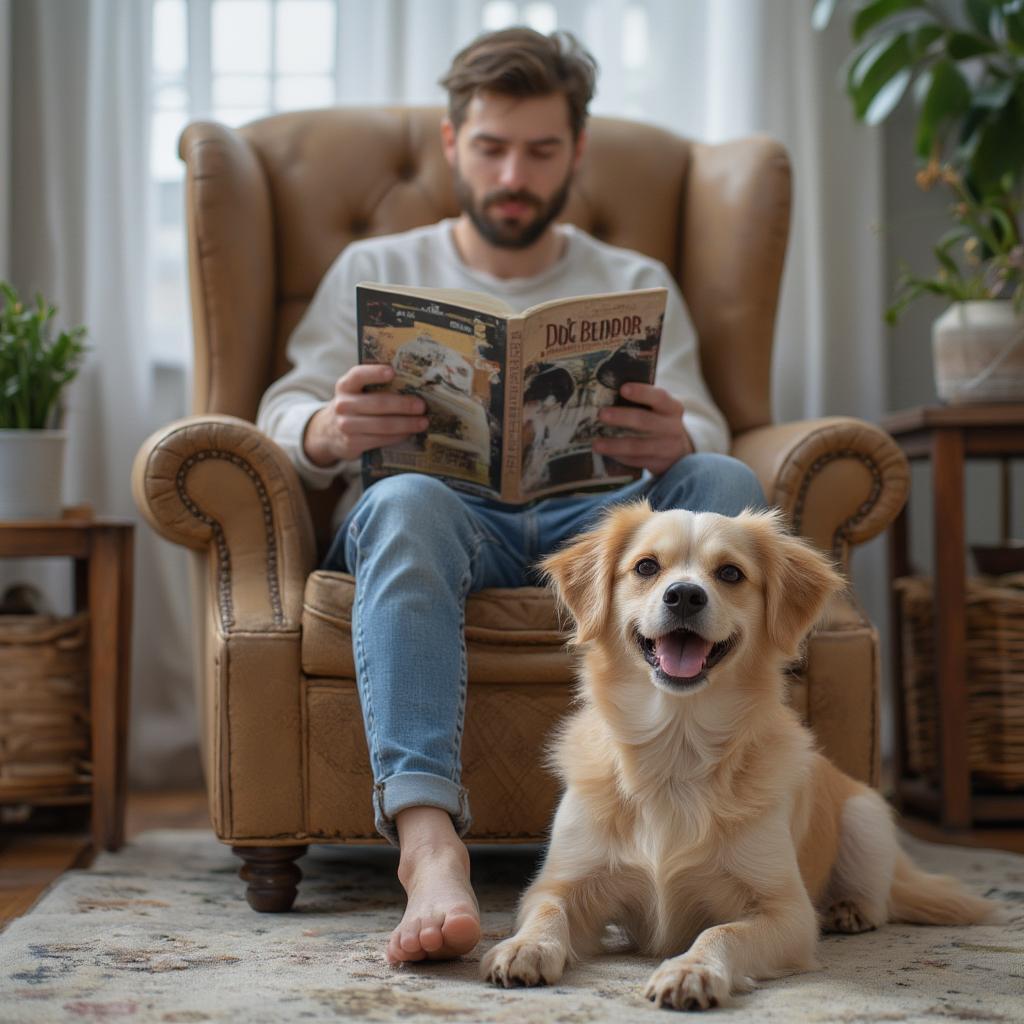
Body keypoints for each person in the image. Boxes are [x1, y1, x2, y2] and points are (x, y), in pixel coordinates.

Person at [256, 26, 765, 966]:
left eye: (539, 151)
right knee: (407, 502)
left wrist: (680, 437)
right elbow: (284, 406)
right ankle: (427, 842)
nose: (513, 175)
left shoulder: (633, 281)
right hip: (440, 516)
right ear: (453, 145)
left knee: (724, 484)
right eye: (491, 148)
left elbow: (715, 441)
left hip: (601, 522)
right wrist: (327, 431)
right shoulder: (375, 265)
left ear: (576, 150)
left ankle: (733, 825)